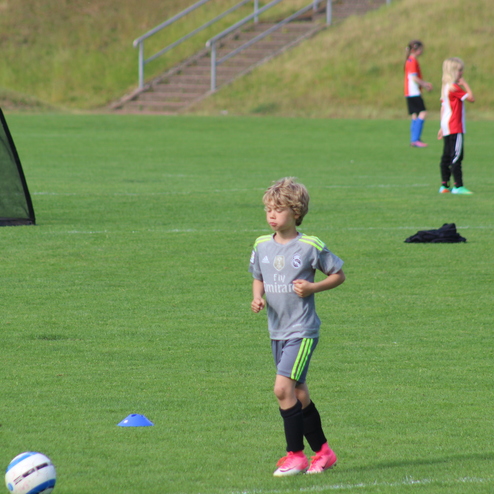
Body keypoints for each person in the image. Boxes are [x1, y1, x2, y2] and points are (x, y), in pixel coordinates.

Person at [249, 177, 346, 476]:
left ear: (296, 212)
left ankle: (296, 456)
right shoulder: (261, 245)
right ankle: (324, 453)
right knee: (299, 393)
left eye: (278, 210)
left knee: (282, 389)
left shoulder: (309, 246)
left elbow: (338, 274)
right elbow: (258, 276)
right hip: (276, 331)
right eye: (268, 209)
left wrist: (313, 288)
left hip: (302, 331)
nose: (272, 215)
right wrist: (257, 297)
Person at [437, 57, 475, 194]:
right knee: (457, 156)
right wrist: (465, 84)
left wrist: (441, 127)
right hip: (455, 126)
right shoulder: (455, 87)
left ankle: (444, 185)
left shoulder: (445, 87)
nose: (461, 73)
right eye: (459, 70)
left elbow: (443, 108)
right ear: (452, 71)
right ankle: (458, 186)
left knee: (447, 155)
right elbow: (471, 98)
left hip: (447, 125)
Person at [404, 40, 433, 147]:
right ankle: (415, 139)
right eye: (420, 49)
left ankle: (414, 139)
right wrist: (425, 84)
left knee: (415, 115)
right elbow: (414, 77)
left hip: (410, 92)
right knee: (423, 113)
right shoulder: (412, 61)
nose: (422, 51)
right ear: (415, 50)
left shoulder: (410, 60)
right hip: (413, 92)